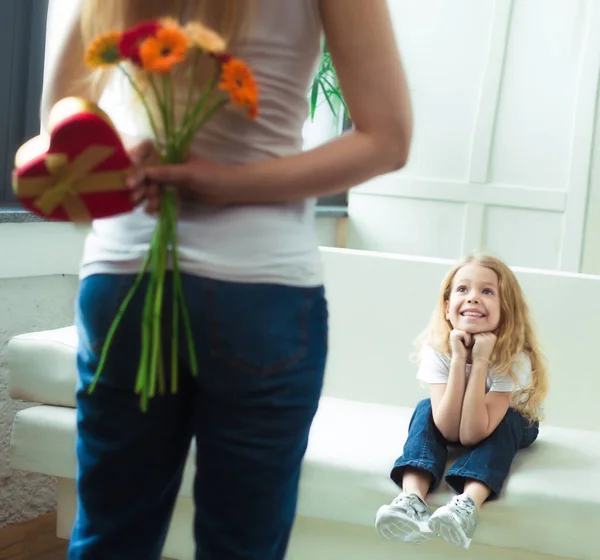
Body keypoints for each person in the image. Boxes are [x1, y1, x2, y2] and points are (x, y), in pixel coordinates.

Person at [42, 0, 412, 558]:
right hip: (259, 291)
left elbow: (60, 118)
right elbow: (388, 139)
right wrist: (225, 183)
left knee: (109, 537)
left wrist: (122, 155)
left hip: (125, 280)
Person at [375, 254, 549, 549]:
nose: (473, 298)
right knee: (424, 409)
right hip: (456, 423)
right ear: (446, 306)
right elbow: (447, 431)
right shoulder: (438, 349)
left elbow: (471, 435)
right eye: (463, 290)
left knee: (510, 420)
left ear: (506, 309)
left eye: (487, 291)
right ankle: (412, 500)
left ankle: (467, 504)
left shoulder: (514, 356)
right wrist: (459, 359)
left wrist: (480, 361)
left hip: (504, 424)